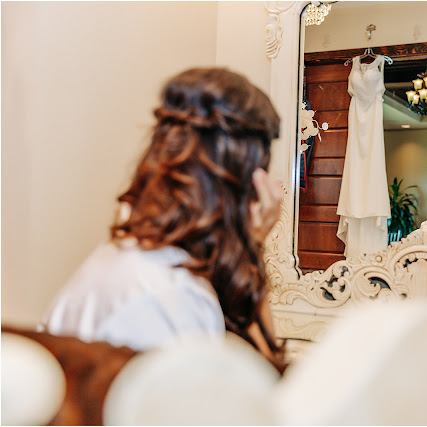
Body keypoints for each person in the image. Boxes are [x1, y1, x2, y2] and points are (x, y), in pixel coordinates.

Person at [40, 67, 285, 371]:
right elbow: (256, 399)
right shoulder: (175, 297)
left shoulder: (129, 257)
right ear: (248, 183)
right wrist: (252, 248)